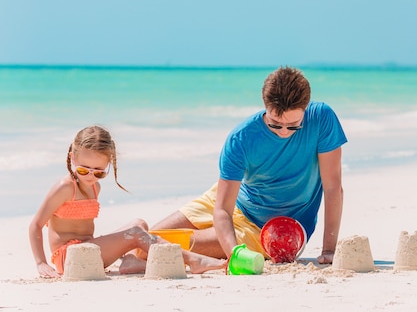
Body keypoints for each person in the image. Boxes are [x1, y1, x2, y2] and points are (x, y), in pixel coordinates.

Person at [152, 66, 347, 264]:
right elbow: (222, 209)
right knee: (152, 236)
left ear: (305, 108)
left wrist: (329, 249)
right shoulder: (242, 138)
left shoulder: (322, 119)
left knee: (167, 245)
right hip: (231, 197)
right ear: (265, 107)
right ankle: (137, 259)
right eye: (275, 124)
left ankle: (149, 260)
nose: (284, 132)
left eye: (294, 125)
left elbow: (333, 188)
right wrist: (234, 254)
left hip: (269, 228)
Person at [29, 125, 225, 278]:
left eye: (98, 172)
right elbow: (36, 225)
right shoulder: (64, 188)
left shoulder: (95, 187)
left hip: (88, 249)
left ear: (109, 164)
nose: (90, 176)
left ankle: (133, 262)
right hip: (70, 257)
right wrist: (41, 263)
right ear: (72, 157)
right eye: (83, 170)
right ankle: (192, 260)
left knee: (138, 224)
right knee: (135, 234)